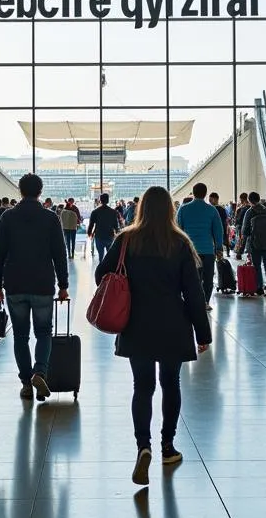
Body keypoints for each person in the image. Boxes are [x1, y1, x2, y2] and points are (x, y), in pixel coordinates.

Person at [96, 186, 211, 487]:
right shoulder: (180, 243)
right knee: (170, 384)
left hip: (136, 323)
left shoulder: (126, 240)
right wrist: (203, 332)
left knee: (142, 386)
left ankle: (142, 445)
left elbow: (101, 274)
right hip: (173, 323)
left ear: (142, 208)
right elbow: (194, 293)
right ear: (171, 210)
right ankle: (168, 447)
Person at [0, 174, 69, 401]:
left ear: (20, 190)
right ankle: (40, 372)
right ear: (40, 191)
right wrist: (63, 285)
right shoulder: (50, 218)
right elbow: (59, 254)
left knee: (20, 335)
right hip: (43, 283)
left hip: (15, 284)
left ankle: (26, 382)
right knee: (44, 332)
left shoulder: (8, 217)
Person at [175, 182, 224, 311]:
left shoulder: (183, 209)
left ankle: (191, 302)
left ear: (193, 192)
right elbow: (218, 231)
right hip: (207, 250)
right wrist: (219, 248)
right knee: (208, 278)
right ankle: (205, 302)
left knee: (191, 279)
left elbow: (178, 229)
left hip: (189, 251)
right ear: (205, 194)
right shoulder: (212, 210)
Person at [241, 191, 266, 296]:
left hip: (255, 243)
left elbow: (245, 230)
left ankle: (259, 287)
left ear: (249, 201)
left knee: (257, 266)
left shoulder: (250, 212)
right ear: (259, 198)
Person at [87, 192, 119, 263]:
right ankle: (108, 269)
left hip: (99, 235)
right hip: (110, 235)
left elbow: (91, 224)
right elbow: (115, 225)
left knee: (100, 255)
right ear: (108, 200)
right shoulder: (113, 212)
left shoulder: (95, 212)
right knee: (109, 255)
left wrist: (89, 233)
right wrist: (117, 234)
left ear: (100, 200)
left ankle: (101, 268)